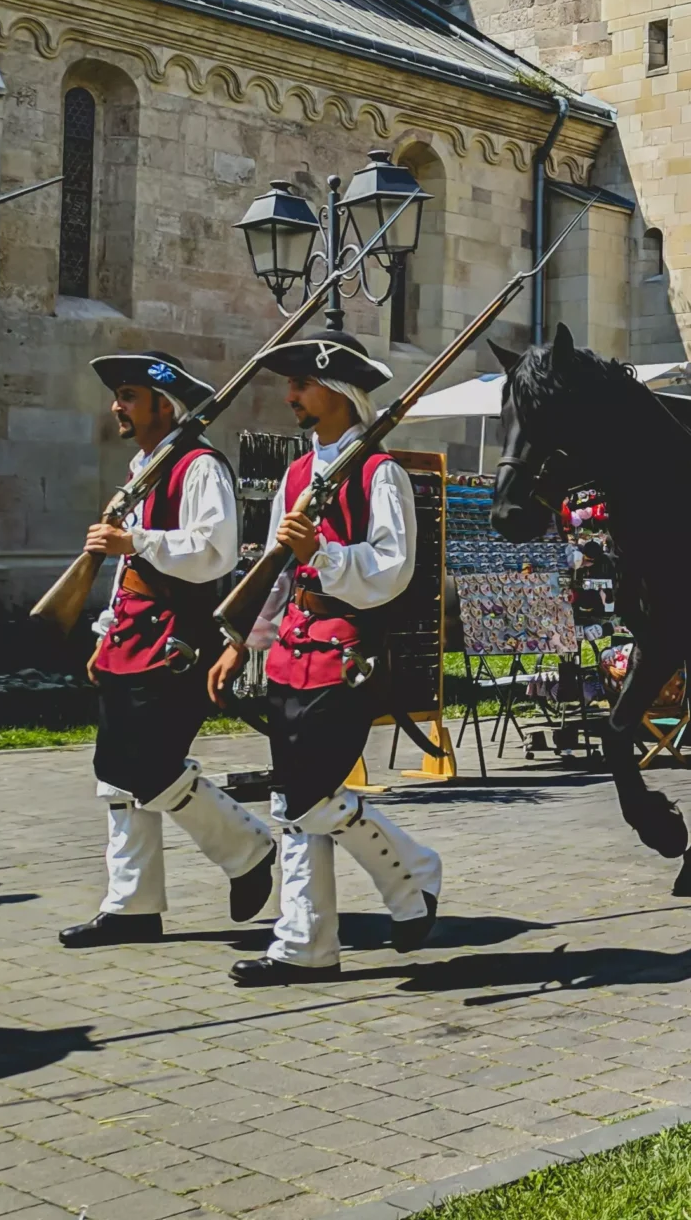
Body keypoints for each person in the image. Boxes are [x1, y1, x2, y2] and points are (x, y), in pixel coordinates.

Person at [208, 330, 440, 985]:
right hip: (291, 656)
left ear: (338, 392)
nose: (292, 397)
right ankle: (306, 943)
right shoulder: (297, 475)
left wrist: (325, 556)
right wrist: (238, 645)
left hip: (347, 657)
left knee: (307, 800)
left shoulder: (378, 471)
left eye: (302, 385)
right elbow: (276, 576)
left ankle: (414, 875)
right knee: (295, 802)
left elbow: (393, 569)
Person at [58, 353, 275, 949]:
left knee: (147, 769)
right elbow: (129, 566)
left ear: (165, 404)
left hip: (176, 636)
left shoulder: (199, 465)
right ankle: (131, 904)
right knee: (116, 775)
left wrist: (138, 537)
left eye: (128, 395)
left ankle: (248, 848)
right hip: (132, 632)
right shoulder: (145, 466)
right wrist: (105, 629)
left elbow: (216, 550)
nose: (116, 407)